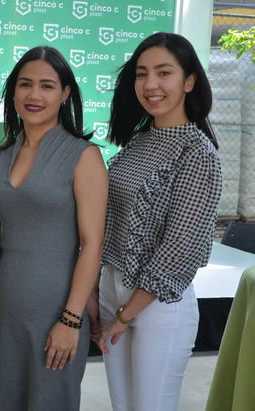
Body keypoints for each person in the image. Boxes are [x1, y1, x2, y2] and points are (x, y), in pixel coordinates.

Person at [94, 32, 222, 411]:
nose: (150, 85)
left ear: (189, 81)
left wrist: (123, 315)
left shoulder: (198, 153)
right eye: (141, 73)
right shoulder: (139, 140)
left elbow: (181, 248)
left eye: (164, 73)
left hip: (158, 303)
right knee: (123, 405)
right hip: (111, 292)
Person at [0, 46, 108, 411]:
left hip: (57, 315)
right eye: (25, 84)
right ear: (13, 92)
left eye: (47, 86)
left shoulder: (83, 156)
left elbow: (92, 245)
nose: (34, 95)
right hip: (6, 314)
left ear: (65, 94)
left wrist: (70, 319)